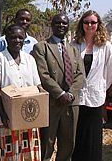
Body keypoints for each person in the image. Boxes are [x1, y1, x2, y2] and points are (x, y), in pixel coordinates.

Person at [31, 13, 84, 161]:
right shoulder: (42, 47)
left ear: (68, 26)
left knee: (68, 144)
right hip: (51, 103)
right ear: (51, 25)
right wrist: (60, 94)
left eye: (64, 23)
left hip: (71, 104)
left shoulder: (74, 49)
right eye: (57, 23)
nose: (61, 25)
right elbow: (43, 74)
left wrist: (71, 94)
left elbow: (80, 75)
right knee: (47, 143)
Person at [0, 24, 42, 161]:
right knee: (9, 155)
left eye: (20, 37)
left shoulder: (30, 59)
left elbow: (38, 86)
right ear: (6, 38)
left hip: (28, 118)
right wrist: (4, 115)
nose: (17, 40)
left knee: (29, 155)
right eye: (13, 37)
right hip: (6, 120)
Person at [71, 10, 112, 161]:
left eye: (93, 22)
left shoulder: (106, 46)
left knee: (93, 138)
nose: (89, 25)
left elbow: (109, 71)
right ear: (82, 24)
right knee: (78, 136)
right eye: (86, 22)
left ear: (98, 25)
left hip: (96, 98)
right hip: (77, 98)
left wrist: (101, 87)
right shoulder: (74, 44)